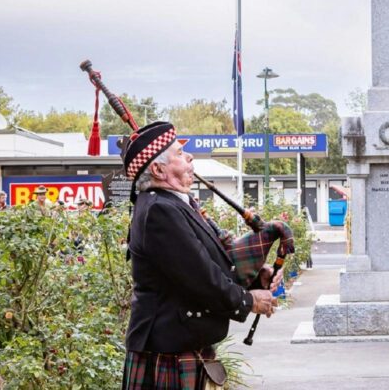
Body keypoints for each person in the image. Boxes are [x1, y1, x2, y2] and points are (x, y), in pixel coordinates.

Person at [121, 121, 289, 389]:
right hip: (168, 352)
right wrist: (248, 301)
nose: (189, 157)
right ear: (158, 170)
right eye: (179, 153)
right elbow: (201, 277)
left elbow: (212, 262)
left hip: (183, 348)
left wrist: (256, 278)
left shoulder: (175, 204)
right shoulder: (159, 211)